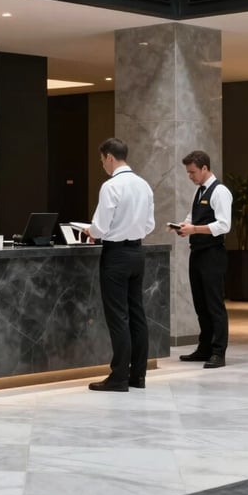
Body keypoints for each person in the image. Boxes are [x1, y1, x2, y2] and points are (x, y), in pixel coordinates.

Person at [84, 138, 155, 392]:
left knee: (118, 317)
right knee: (137, 314)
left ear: (109, 157)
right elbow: (149, 225)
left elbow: (100, 227)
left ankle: (118, 377)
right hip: (137, 252)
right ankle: (138, 375)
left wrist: (91, 230)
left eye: (102, 160)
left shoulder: (111, 186)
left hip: (115, 256)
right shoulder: (144, 185)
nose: (103, 165)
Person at [170, 150, 232, 369]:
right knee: (200, 304)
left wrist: (194, 228)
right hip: (197, 253)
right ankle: (204, 348)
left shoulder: (220, 191)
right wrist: (183, 227)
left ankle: (218, 352)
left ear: (205, 168)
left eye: (193, 172)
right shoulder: (199, 192)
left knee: (214, 304)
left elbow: (224, 225)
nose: (190, 176)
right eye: (188, 173)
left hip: (213, 254)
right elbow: (192, 217)